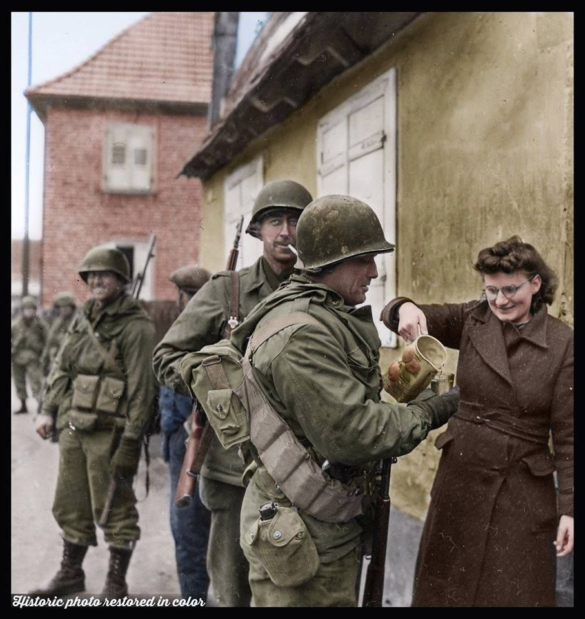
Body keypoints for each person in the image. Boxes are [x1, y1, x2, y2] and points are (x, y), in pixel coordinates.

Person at [227, 195, 460, 607]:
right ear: (331, 263)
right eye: (364, 260)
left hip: (319, 522)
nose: (374, 271)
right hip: (304, 530)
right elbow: (356, 434)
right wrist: (435, 408)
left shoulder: (322, 313)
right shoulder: (302, 334)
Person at [381, 235, 573, 607]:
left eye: (511, 289)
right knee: (447, 591)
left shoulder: (564, 343)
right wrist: (403, 309)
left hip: (521, 491)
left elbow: (569, 437)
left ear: (535, 284)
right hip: (461, 479)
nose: (500, 301)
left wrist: (570, 510)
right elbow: (405, 312)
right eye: (491, 290)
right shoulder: (473, 318)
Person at [153, 179, 314, 607]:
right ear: (259, 231)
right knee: (231, 585)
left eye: (295, 221)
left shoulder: (320, 292)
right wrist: (212, 383)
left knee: (293, 584)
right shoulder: (226, 290)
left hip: (304, 465)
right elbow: (167, 356)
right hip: (233, 465)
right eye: (274, 221)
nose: (285, 232)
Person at [31, 246, 157, 598]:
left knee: (115, 506)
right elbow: (62, 367)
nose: (98, 280)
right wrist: (48, 410)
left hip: (112, 432)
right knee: (69, 502)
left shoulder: (137, 326)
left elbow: (142, 391)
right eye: (92, 275)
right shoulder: (82, 317)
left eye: (106, 274)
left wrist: (131, 442)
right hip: (74, 426)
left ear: (121, 280)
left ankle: (116, 582)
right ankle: (71, 573)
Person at [160, 264, 212, 601]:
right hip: (184, 441)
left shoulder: (199, 334)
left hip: (195, 443)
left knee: (189, 530)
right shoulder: (182, 331)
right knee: (192, 530)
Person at [11, 296, 48, 414]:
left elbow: (48, 340)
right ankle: (23, 404)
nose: (29, 312)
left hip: (33, 357)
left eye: (31, 309)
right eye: (26, 309)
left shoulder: (40, 324)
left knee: (36, 382)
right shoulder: (15, 325)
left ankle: (41, 405)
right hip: (17, 357)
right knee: (19, 382)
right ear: (22, 310)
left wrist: (44, 354)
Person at [41, 292, 77, 376]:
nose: (63, 309)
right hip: (57, 362)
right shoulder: (58, 322)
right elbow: (50, 342)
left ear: (72, 307)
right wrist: (45, 360)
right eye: (61, 307)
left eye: (66, 307)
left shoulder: (77, 322)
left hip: (72, 362)